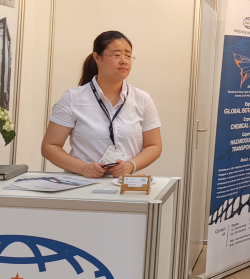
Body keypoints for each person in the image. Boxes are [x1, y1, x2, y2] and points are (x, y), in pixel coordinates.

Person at [41, 31, 162, 178]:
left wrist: (131, 166)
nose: (124, 60)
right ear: (97, 57)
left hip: (127, 184)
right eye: (116, 55)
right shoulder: (73, 98)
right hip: (83, 183)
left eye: (128, 55)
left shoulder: (142, 99)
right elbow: (50, 146)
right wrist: (84, 168)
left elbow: (154, 145)